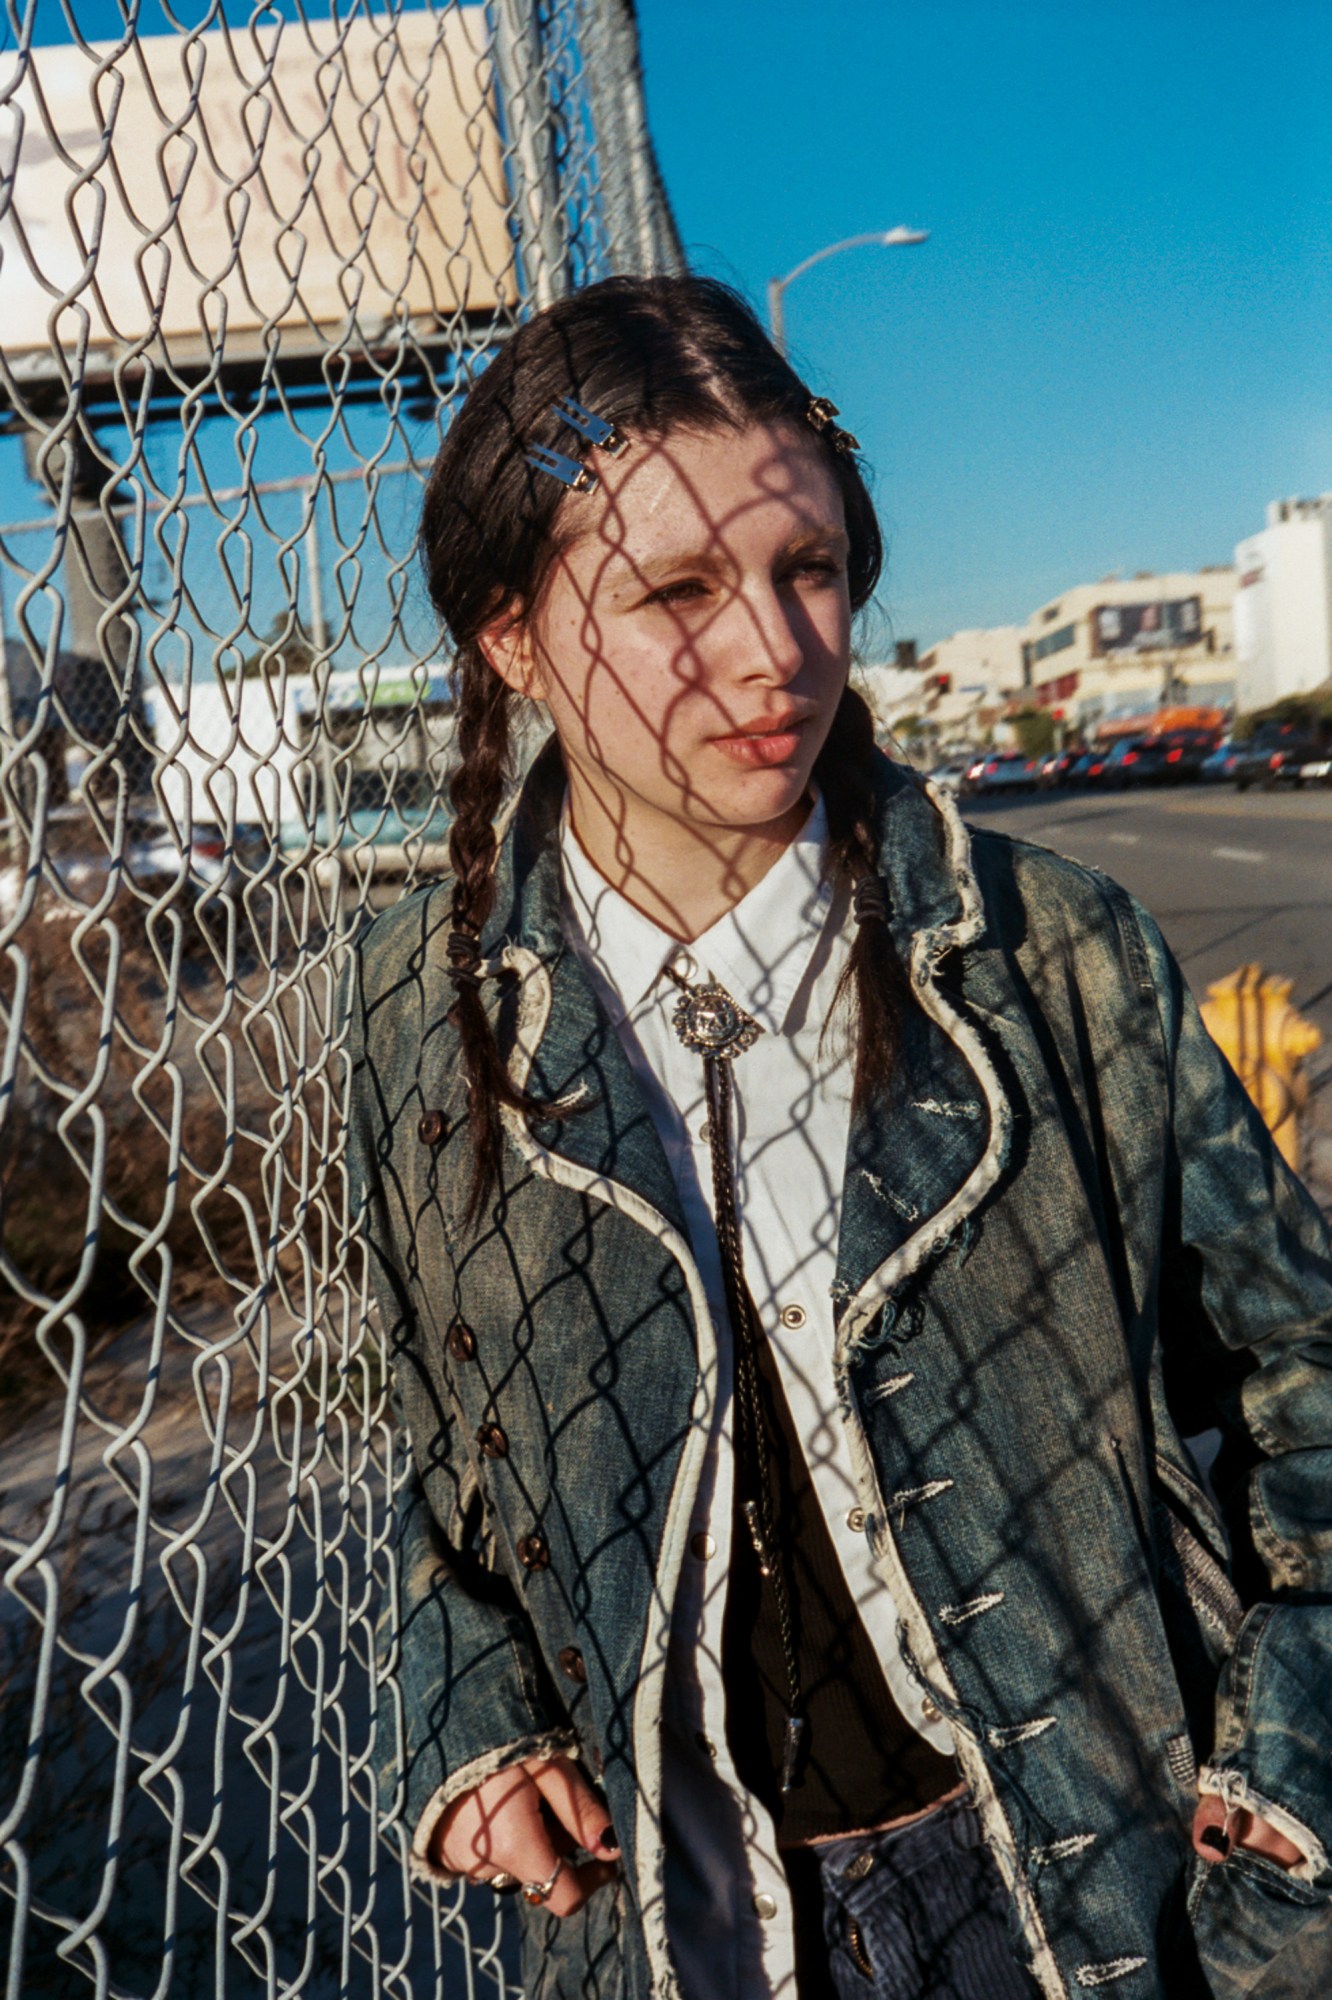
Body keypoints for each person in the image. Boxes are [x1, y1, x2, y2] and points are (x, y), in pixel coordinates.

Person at [344, 274, 1332, 2000]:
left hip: (1093, 1881)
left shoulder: (1050, 956)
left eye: (808, 569)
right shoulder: (425, 1020)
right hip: (680, 1920)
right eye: (676, 591)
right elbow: (449, 1461)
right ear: (511, 636)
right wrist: (475, 1724)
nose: (777, 653)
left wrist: (1293, 1785)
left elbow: (1307, 1378)